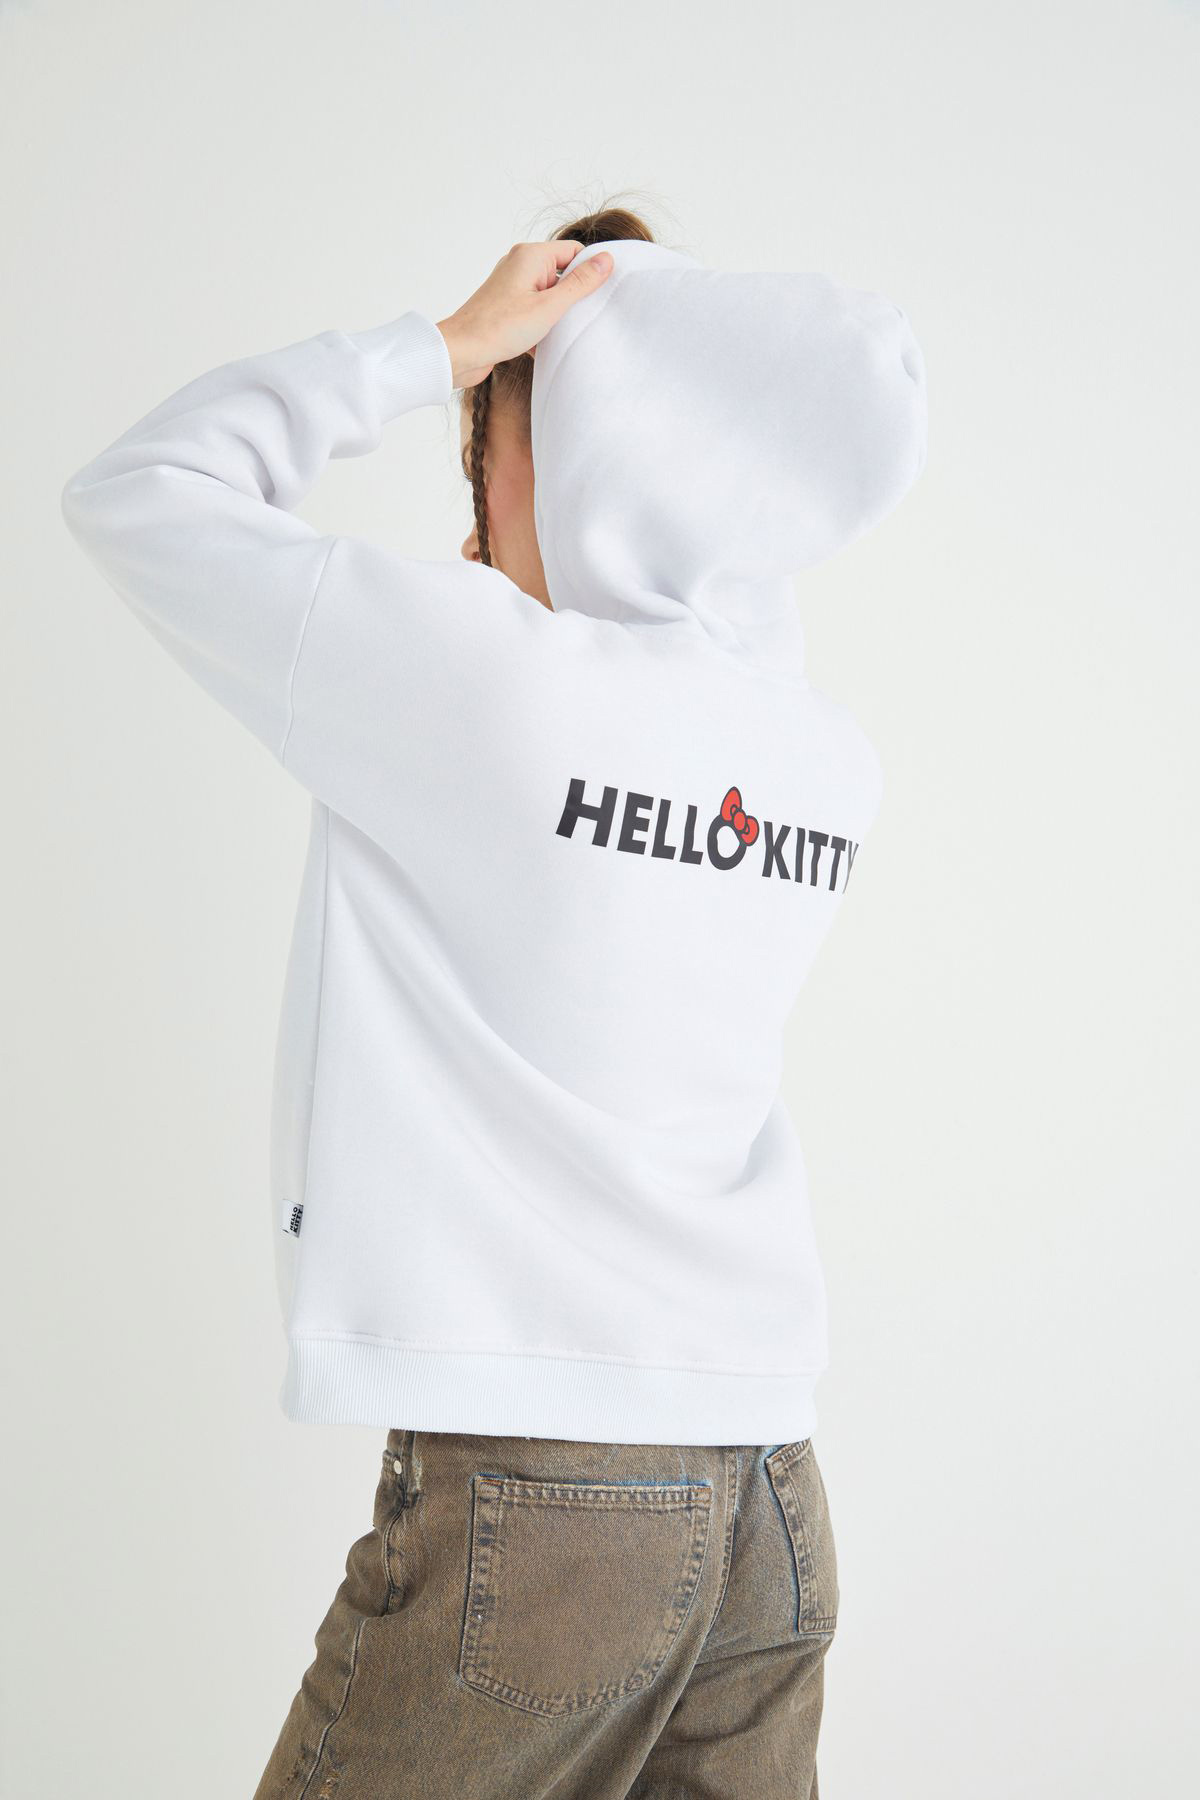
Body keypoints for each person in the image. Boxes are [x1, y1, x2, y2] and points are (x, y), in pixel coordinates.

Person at [60, 201, 927, 1799]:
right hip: (771, 1493)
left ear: (579, 457)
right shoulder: (822, 756)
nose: (474, 506)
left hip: (554, 1490)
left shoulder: (471, 674)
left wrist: (439, 347)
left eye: (486, 452)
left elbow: (139, 489)